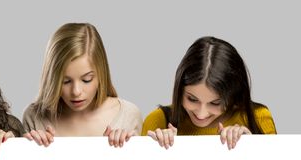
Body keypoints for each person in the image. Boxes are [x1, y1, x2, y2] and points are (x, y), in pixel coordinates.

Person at [142, 36, 277, 150]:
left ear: (233, 95)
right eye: (192, 99)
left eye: (215, 103)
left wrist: (252, 146)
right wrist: (155, 151)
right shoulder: (158, 121)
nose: (201, 114)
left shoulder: (258, 118)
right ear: (179, 90)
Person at [23, 22, 142, 148]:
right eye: (65, 81)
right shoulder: (34, 117)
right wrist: (30, 149)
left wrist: (128, 149)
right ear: (52, 79)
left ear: (101, 74)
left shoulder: (128, 115)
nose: (76, 91)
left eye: (87, 79)